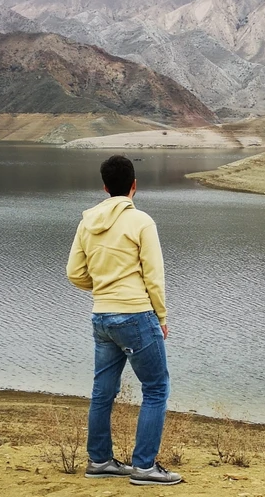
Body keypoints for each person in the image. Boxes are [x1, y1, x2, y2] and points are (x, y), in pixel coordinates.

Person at [66, 155, 182, 486]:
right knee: (156, 388)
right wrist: (161, 316)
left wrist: (103, 288)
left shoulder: (87, 222)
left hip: (101, 316)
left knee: (103, 390)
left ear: (105, 187)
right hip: (136, 315)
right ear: (134, 185)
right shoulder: (141, 221)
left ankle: (99, 461)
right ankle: (144, 468)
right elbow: (154, 276)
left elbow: (74, 273)